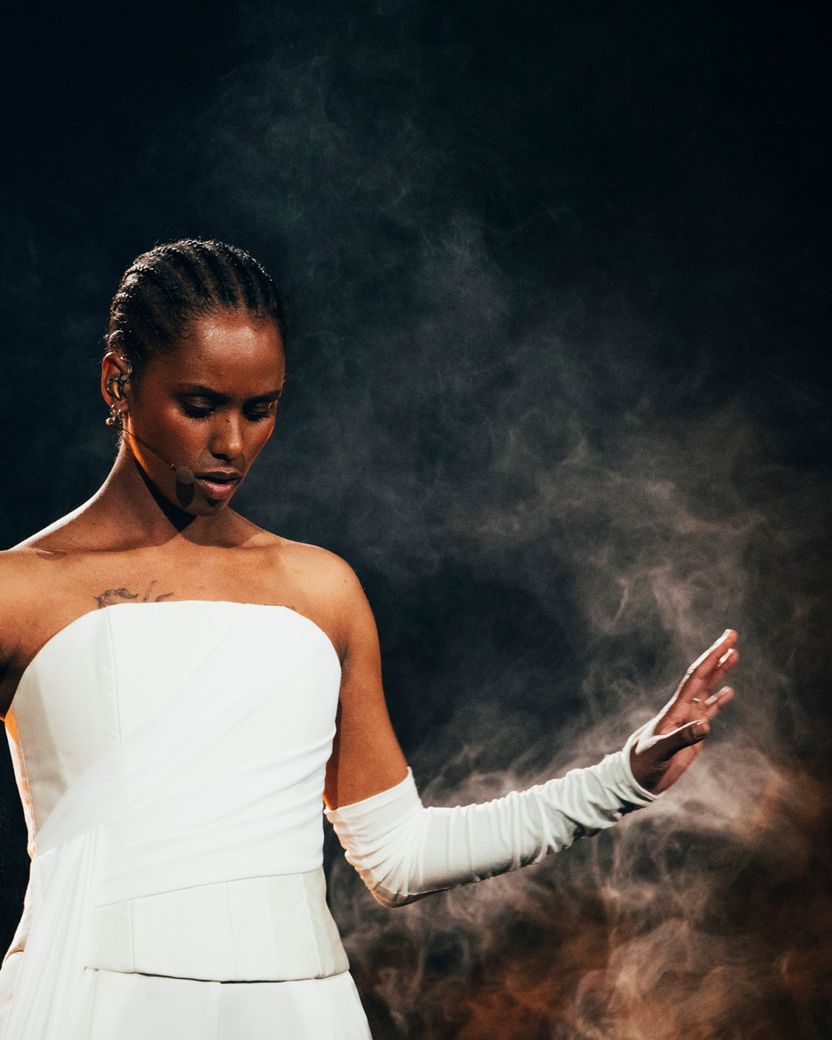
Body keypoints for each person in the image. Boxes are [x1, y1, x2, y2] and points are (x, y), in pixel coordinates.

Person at [0, 239, 738, 1039]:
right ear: (118, 380)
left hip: (299, 1014)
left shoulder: (322, 591)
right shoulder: (21, 592)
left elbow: (397, 856)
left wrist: (622, 778)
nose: (233, 443)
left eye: (260, 409)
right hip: (94, 1009)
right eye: (201, 404)